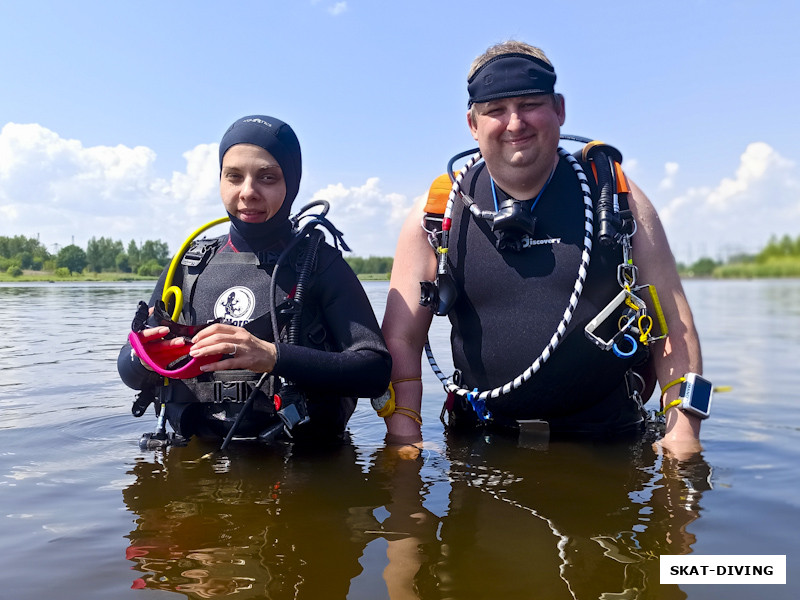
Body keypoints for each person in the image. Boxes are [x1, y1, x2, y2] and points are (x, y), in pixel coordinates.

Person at [380, 41, 705, 457]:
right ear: (472, 124)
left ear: (560, 110)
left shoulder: (617, 196)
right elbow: (402, 337)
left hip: (607, 442)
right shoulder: (438, 211)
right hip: (481, 440)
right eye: (495, 110)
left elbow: (672, 322)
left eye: (531, 104)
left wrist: (684, 431)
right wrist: (404, 435)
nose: (515, 123)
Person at [118, 115, 391, 447]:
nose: (248, 192)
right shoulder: (189, 264)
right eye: (234, 176)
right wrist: (143, 359)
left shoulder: (320, 264)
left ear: (291, 182)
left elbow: (375, 371)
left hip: (299, 468)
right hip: (198, 459)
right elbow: (130, 373)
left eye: (267, 177)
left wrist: (274, 356)